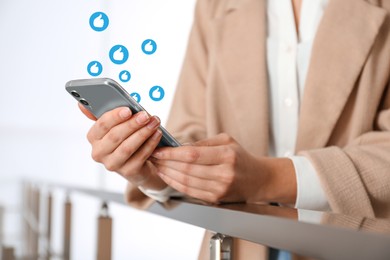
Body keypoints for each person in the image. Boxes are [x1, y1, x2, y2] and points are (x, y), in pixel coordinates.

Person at [80, 0, 390, 258]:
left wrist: (269, 178)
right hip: (235, 249)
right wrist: (152, 170)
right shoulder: (214, 5)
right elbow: (193, 130)